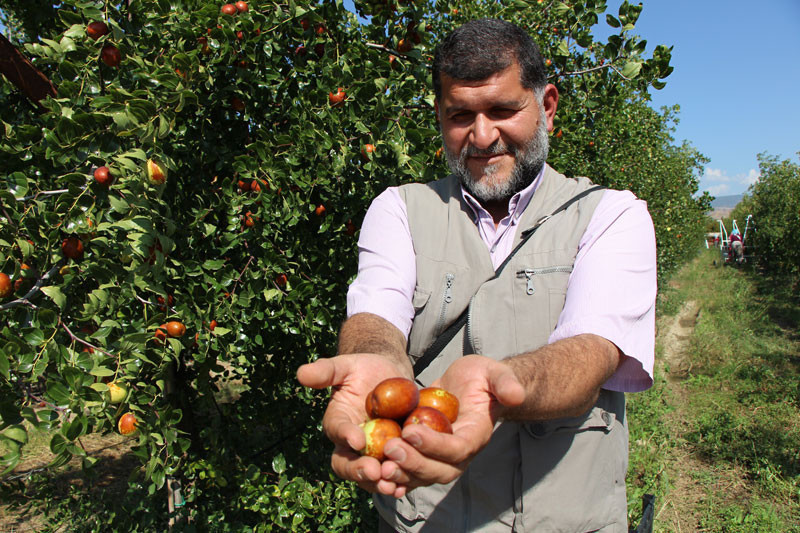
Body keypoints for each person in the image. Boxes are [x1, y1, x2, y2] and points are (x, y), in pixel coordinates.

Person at [297, 18, 656, 532]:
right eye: (461, 115)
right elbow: (378, 314)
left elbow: (592, 352)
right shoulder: (399, 210)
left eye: (504, 110)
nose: (483, 136)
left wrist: (502, 384)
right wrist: (375, 359)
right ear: (440, 117)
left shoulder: (610, 216)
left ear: (547, 106)